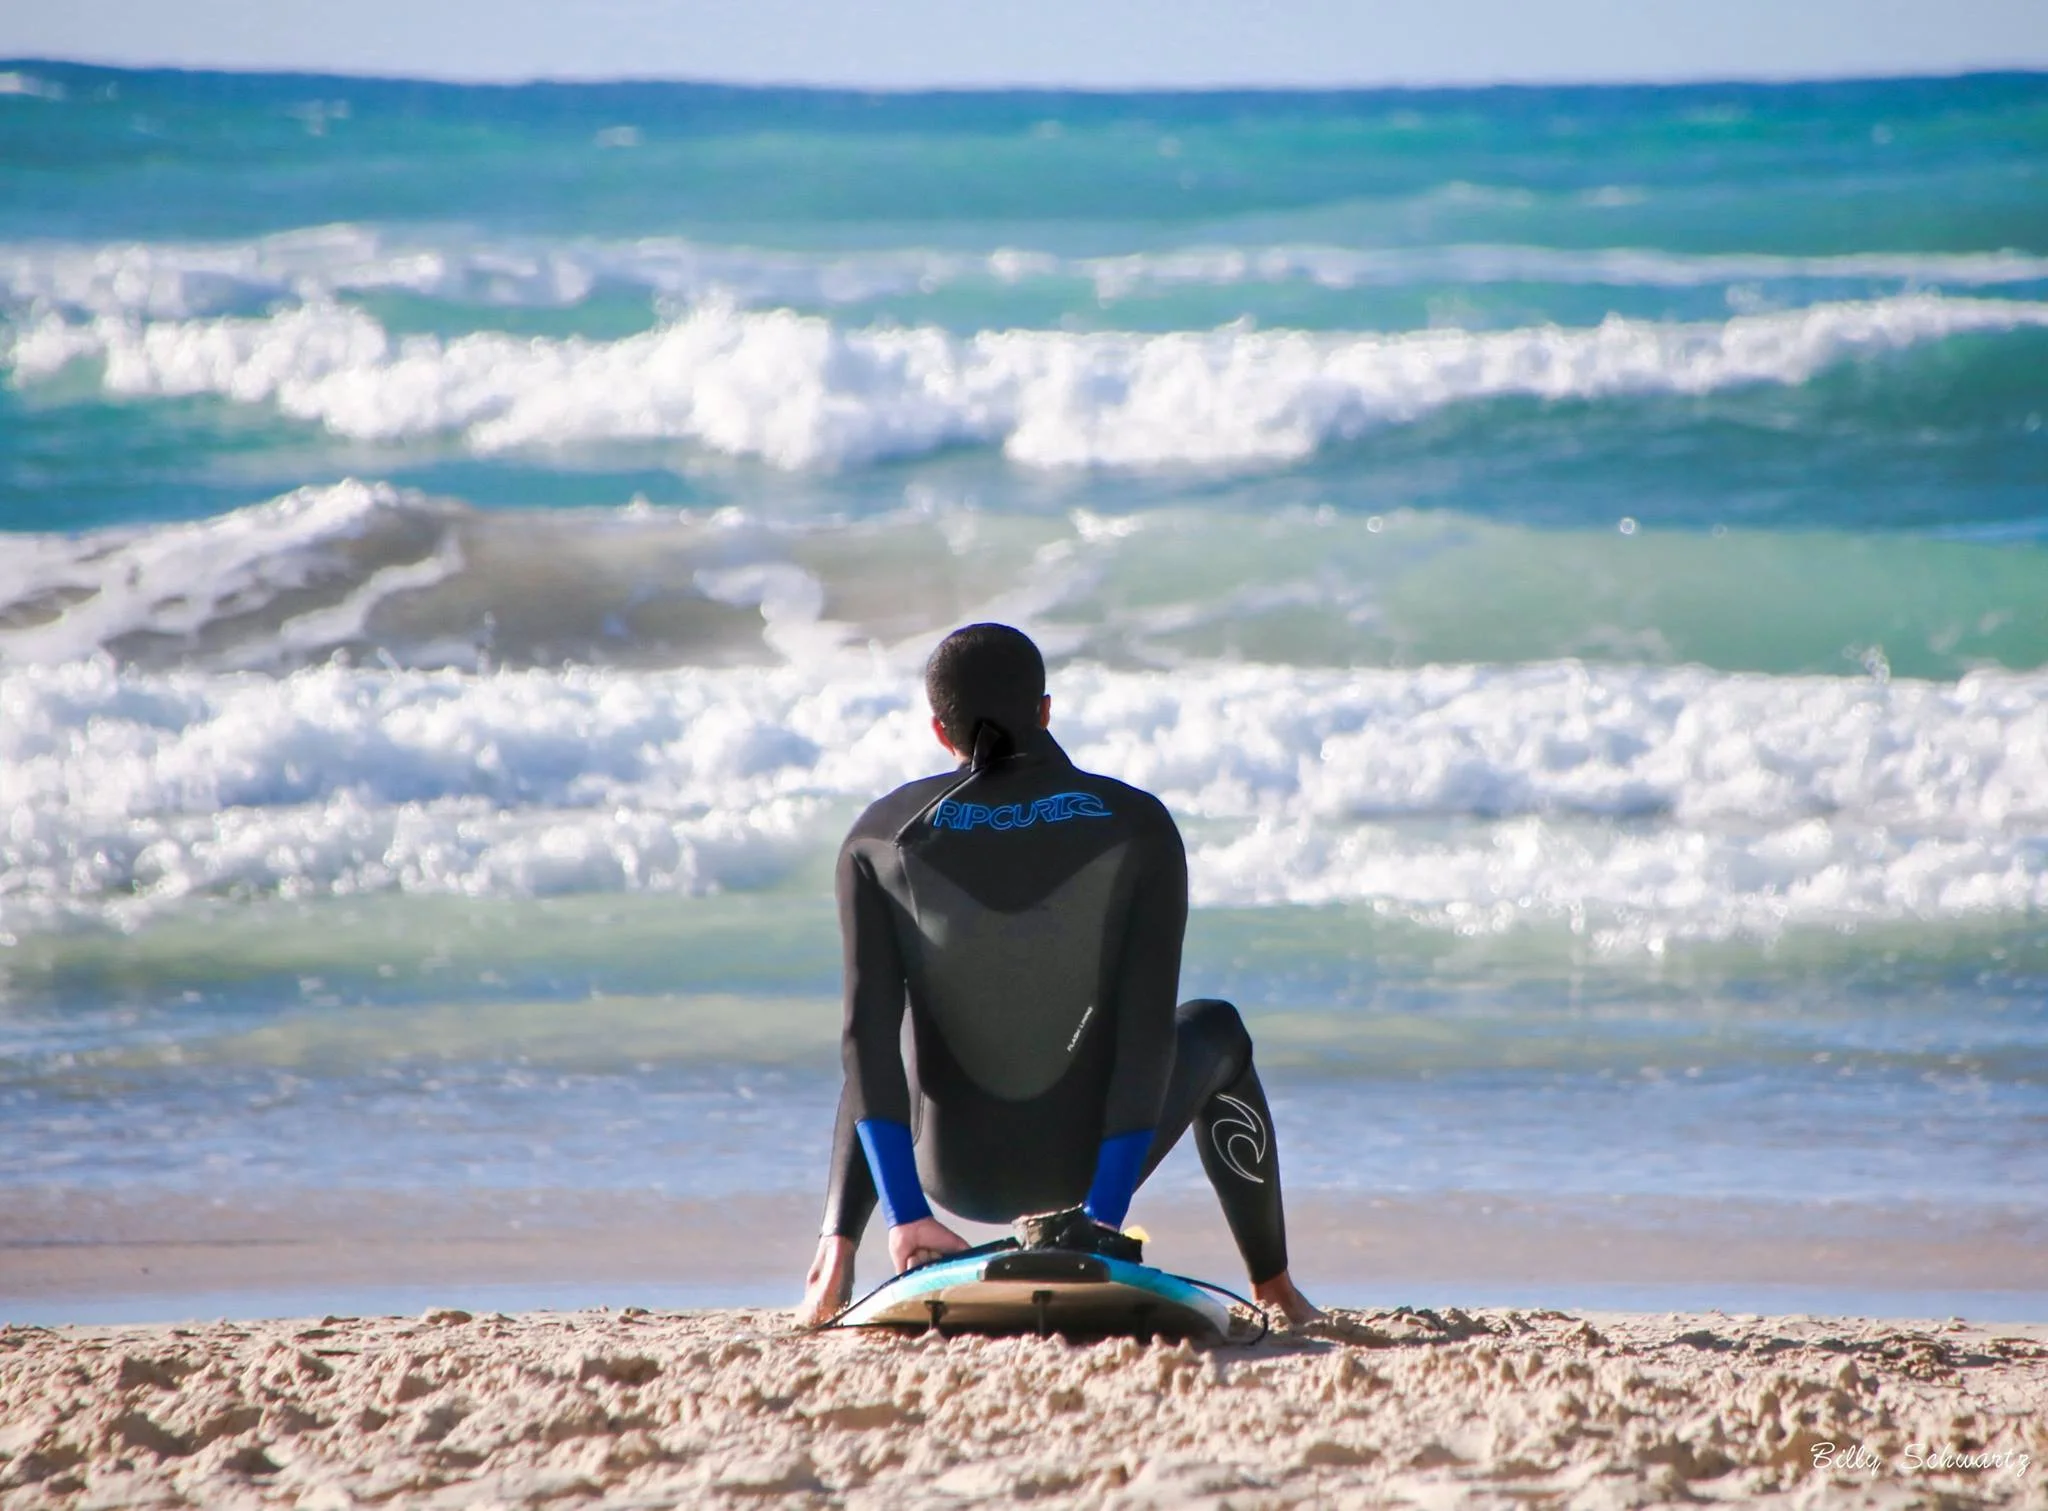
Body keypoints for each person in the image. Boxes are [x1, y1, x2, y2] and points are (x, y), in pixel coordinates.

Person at [794, 623, 1318, 1327]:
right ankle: (1275, 1287)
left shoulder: (878, 838)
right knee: (1216, 1026)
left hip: (954, 1172)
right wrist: (1100, 1219)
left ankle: (839, 1249)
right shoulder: (1139, 825)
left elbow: (866, 1041)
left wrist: (907, 1211)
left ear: (937, 729)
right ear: (1045, 710)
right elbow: (1144, 1035)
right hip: (1085, 1164)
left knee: (883, 1035)